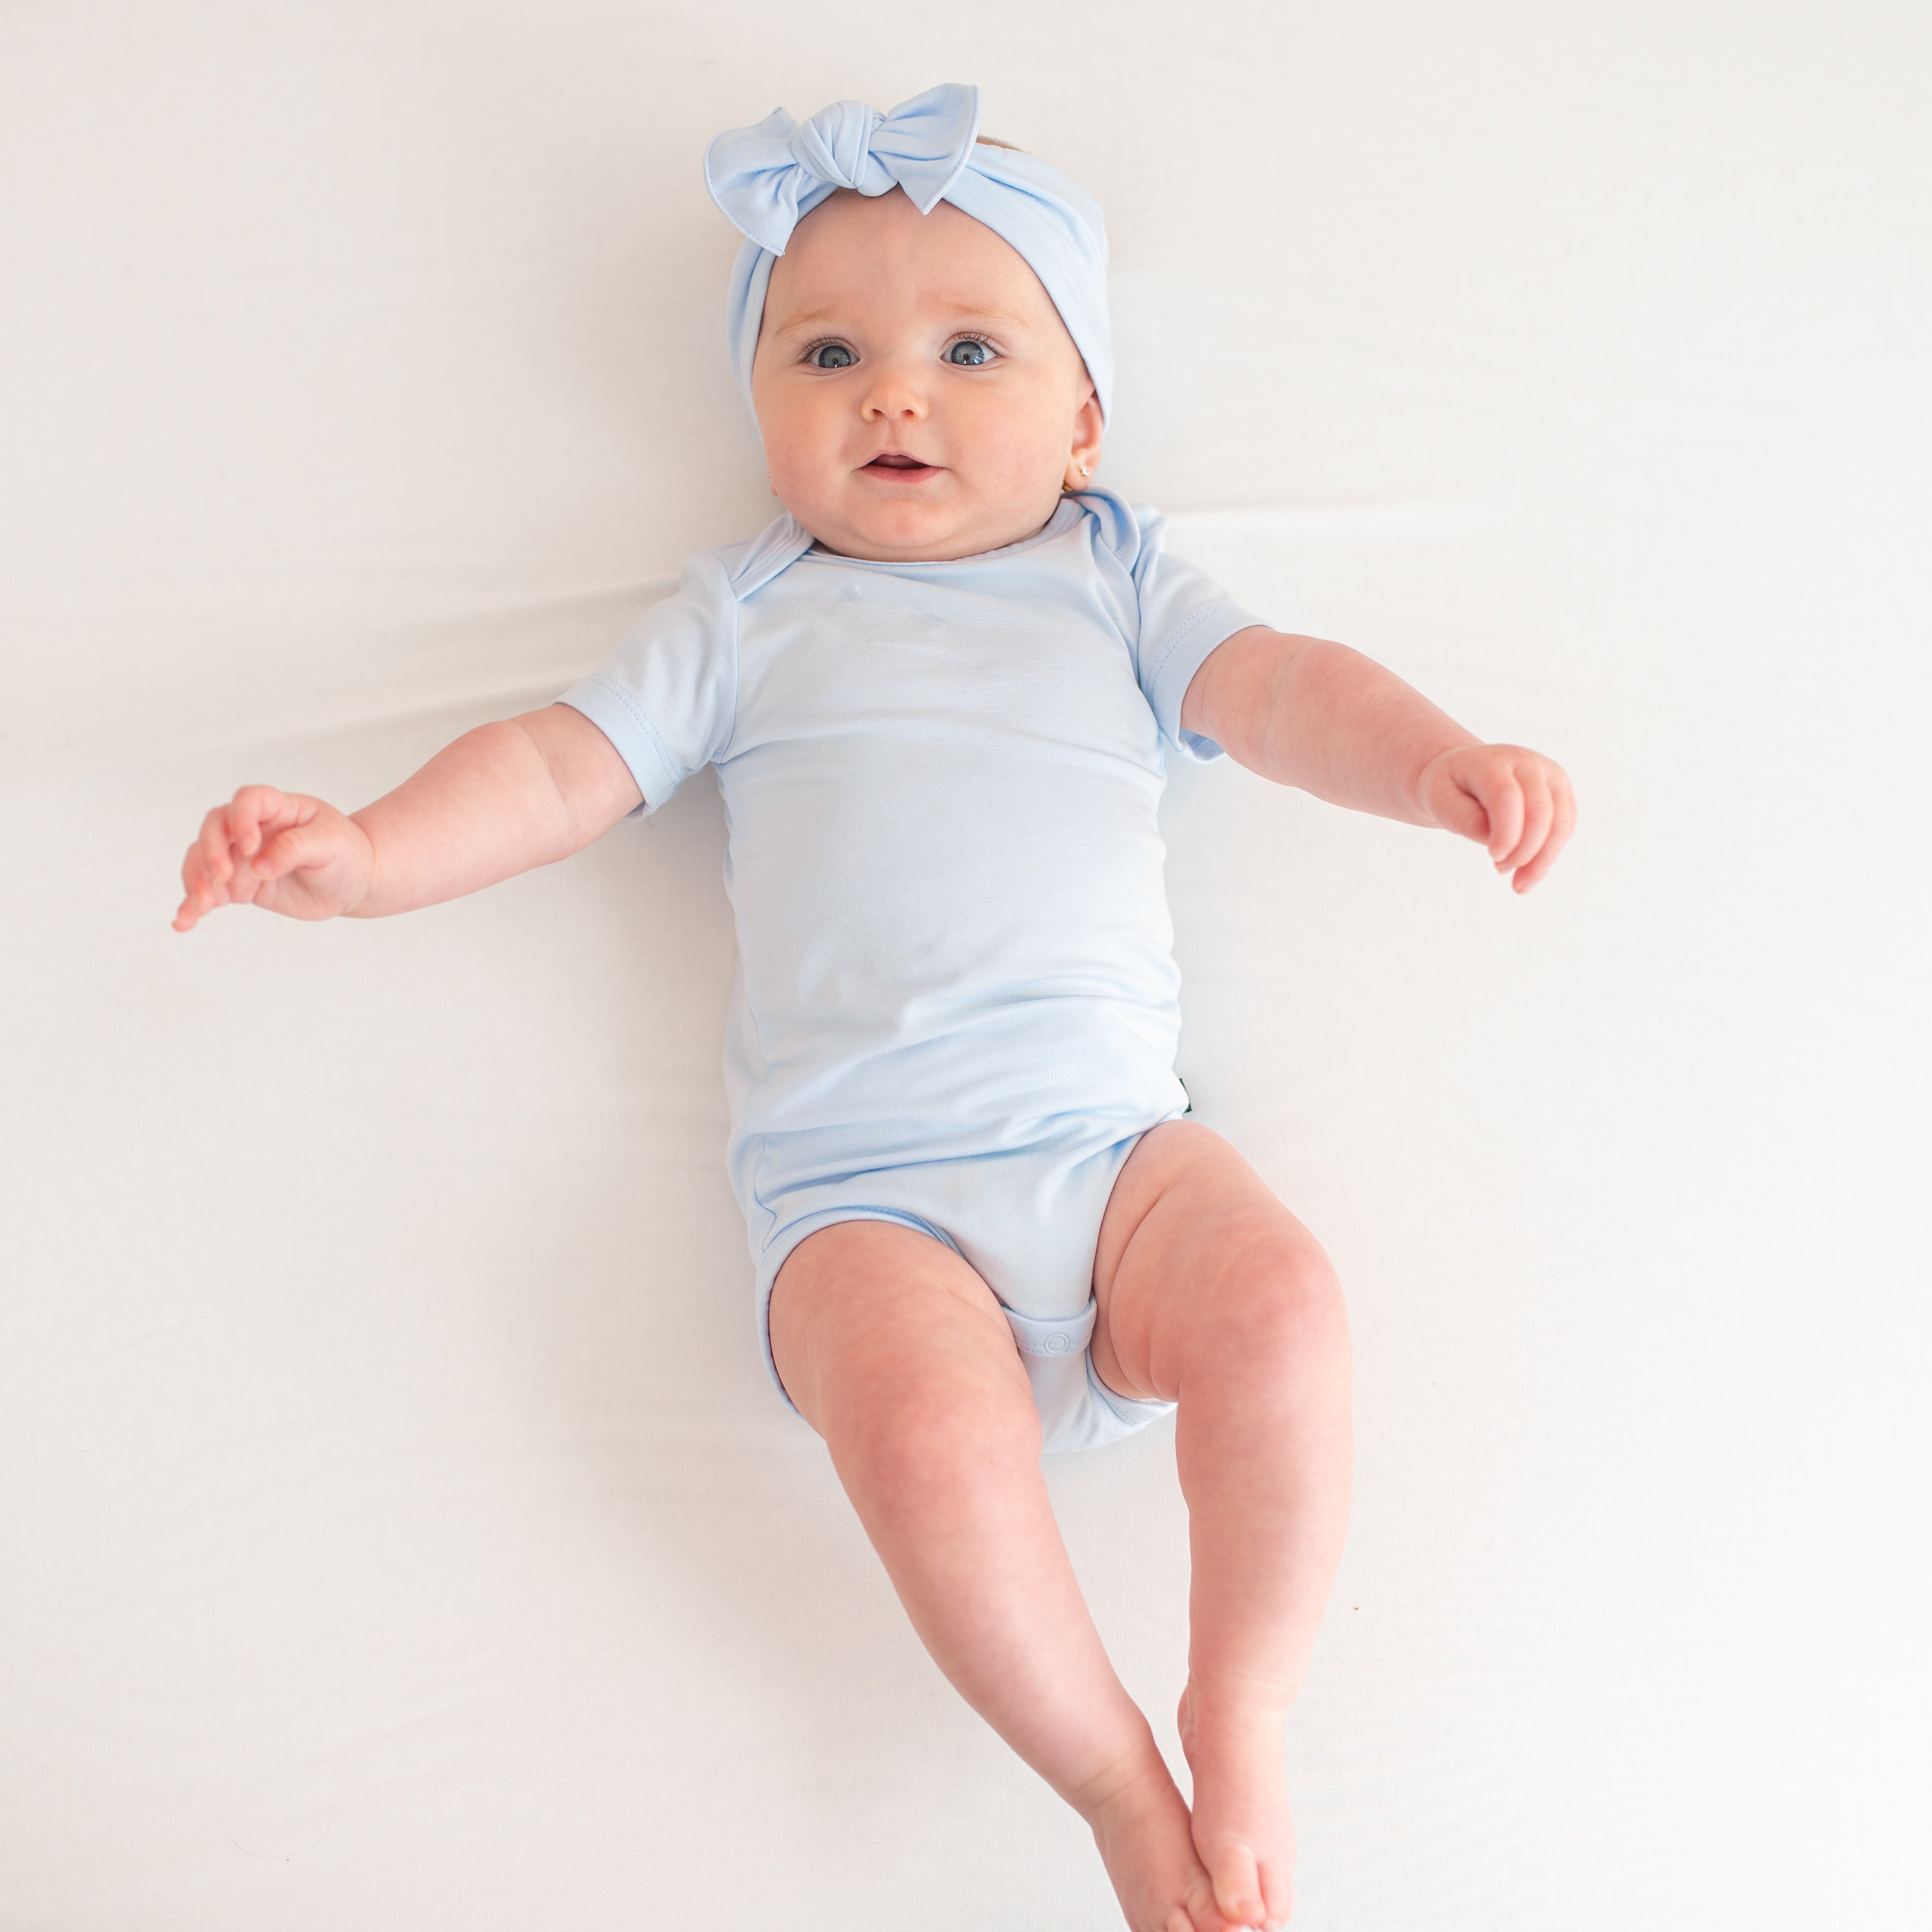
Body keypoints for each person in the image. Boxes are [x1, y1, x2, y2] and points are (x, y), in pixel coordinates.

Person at [171, 85, 1575, 1932]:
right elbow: (554, 768)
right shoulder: (745, 617)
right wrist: (362, 851)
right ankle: (1108, 1783)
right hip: (867, 1205)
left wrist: (1436, 763)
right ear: (760, 414)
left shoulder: (1119, 578)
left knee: (1285, 1304)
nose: (892, 393)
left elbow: (1285, 689)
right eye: (825, 351)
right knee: (920, 1444)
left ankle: (1240, 1704)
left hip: (1115, 1157)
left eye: (968, 350)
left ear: (1083, 424)